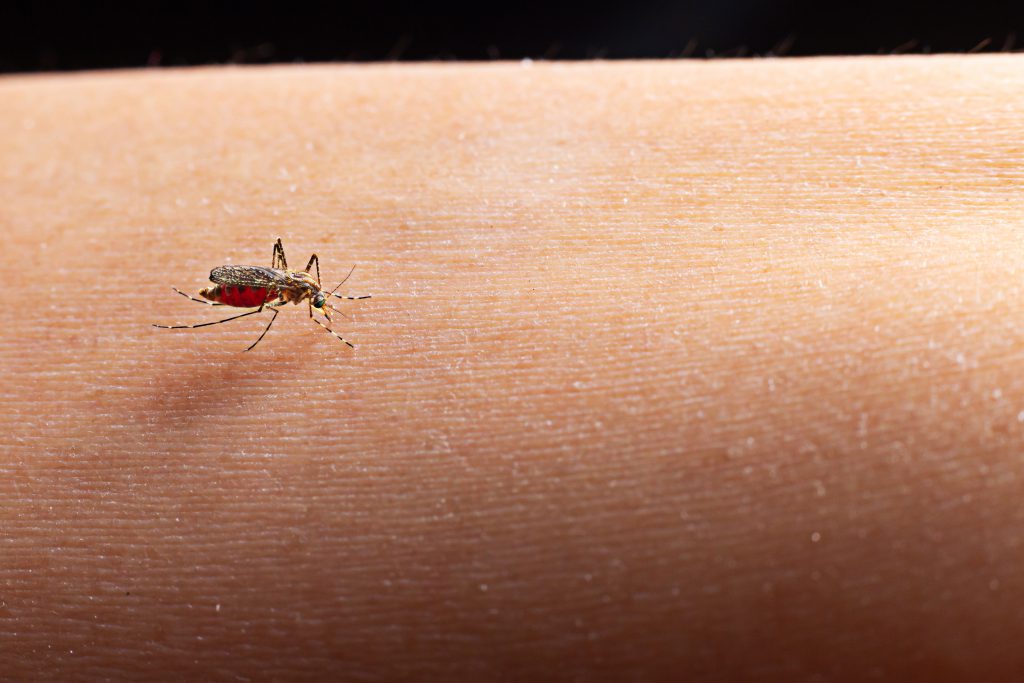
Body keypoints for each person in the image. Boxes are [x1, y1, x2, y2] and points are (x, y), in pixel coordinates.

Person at [2, 55, 1021, 679]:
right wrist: (269, 305)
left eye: (316, 296)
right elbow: (266, 305)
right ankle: (192, 319)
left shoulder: (301, 280)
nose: (317, 299)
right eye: (318, 296)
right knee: (243, 322)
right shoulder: (278, 295)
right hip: (242, 283)